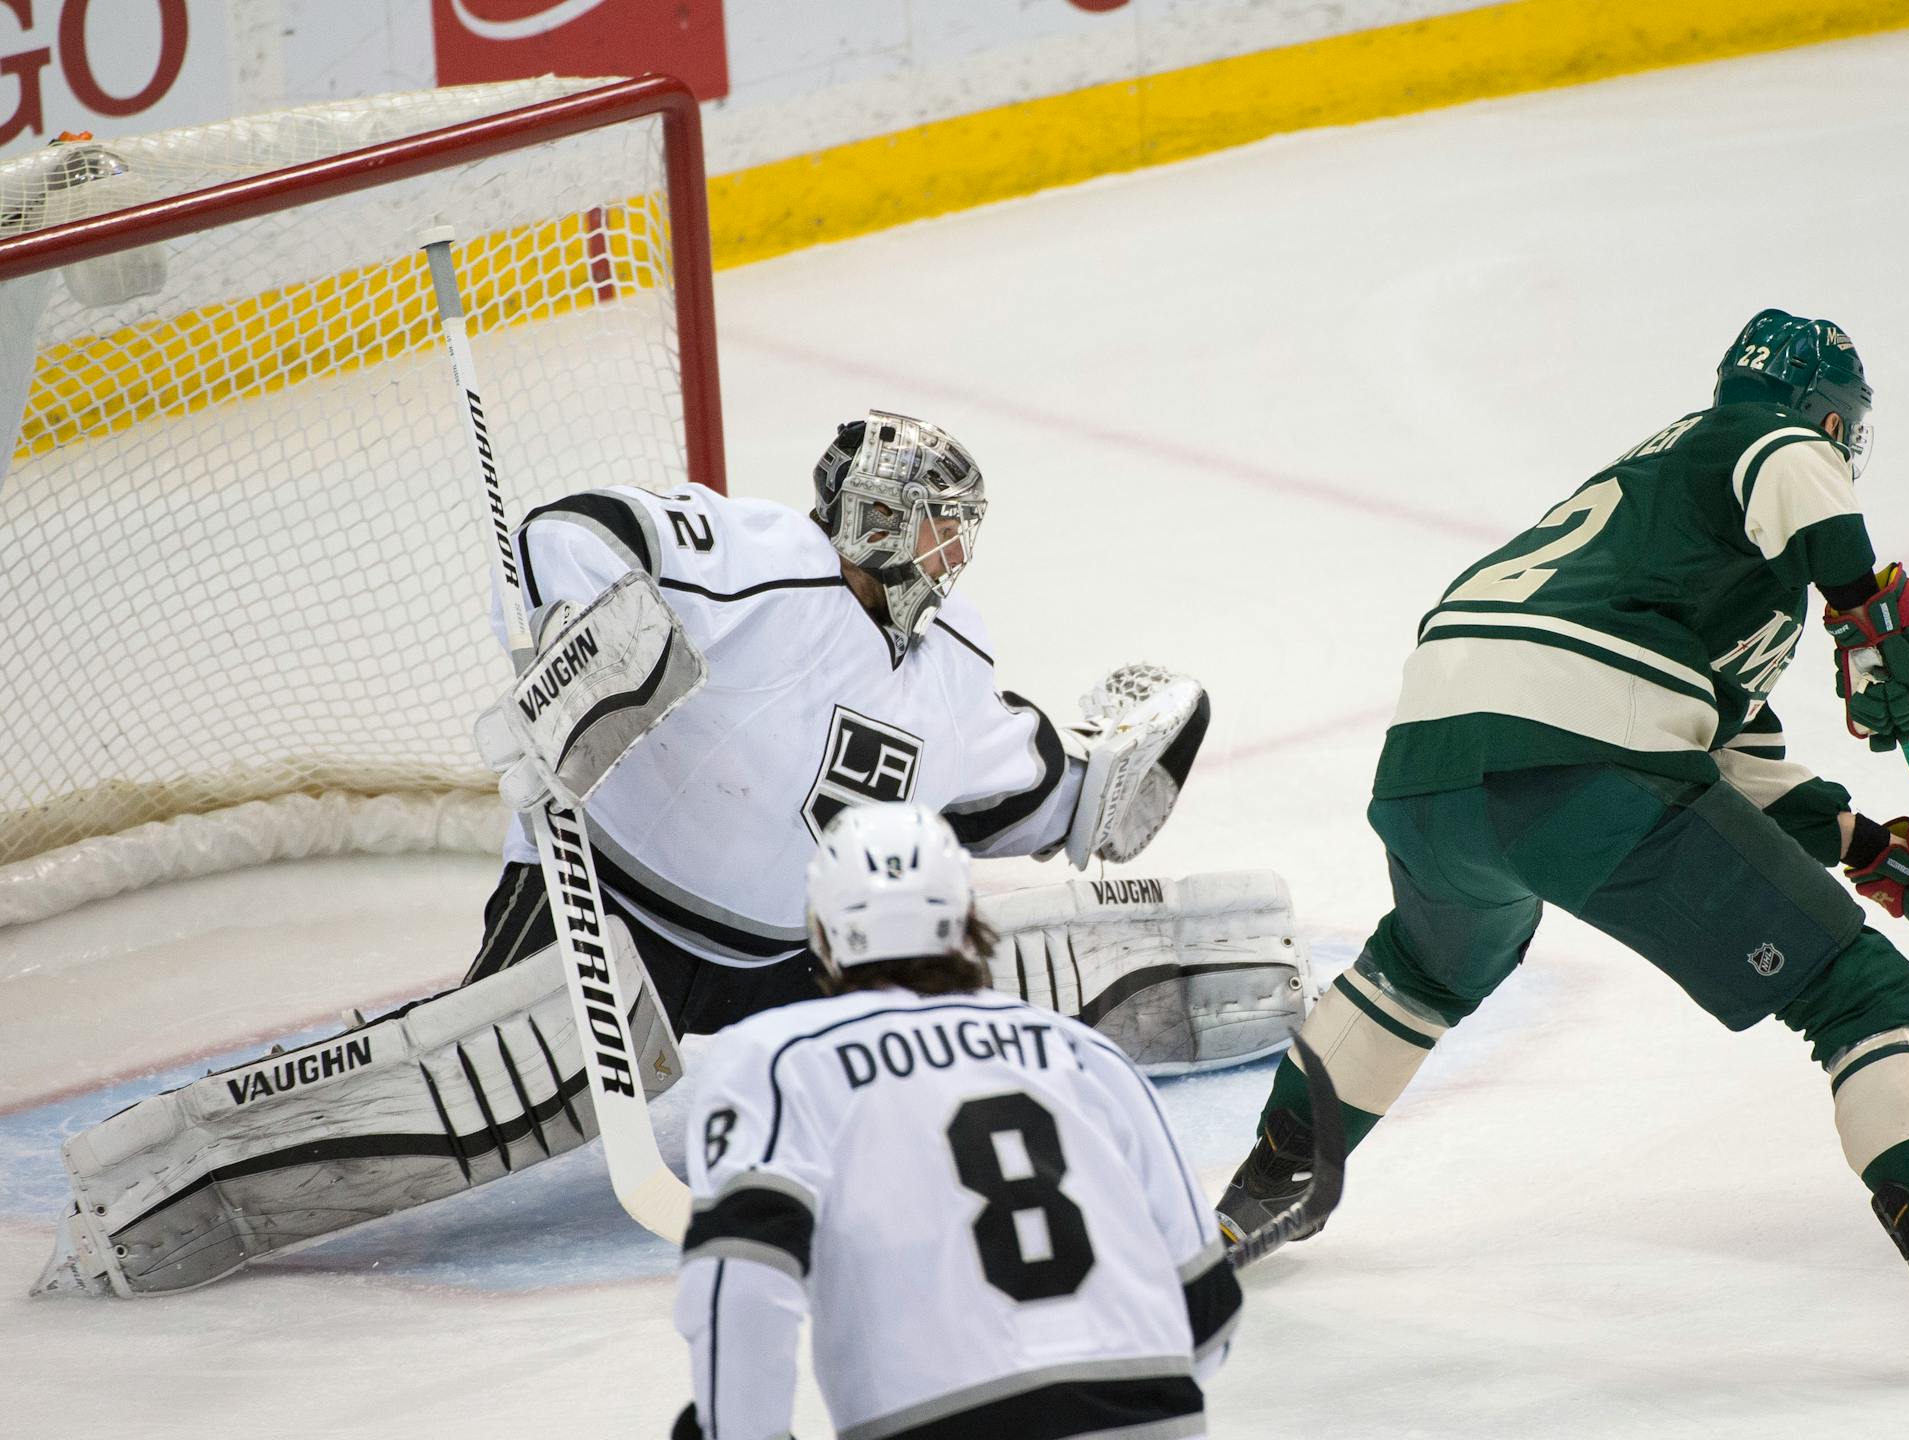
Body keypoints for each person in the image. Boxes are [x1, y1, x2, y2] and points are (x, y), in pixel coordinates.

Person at [38, 411, 1299, 1298]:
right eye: (918, 526)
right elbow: (569, 530)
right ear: (863, 516)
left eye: (947, 533)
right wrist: (594, 644)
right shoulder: (755, 557)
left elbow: (1021, 794)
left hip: (784, 956)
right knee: (498, 1071)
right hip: (604, 898)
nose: (935, 553)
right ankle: (183, 1174)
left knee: (914, 1048)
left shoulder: (957, 662)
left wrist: (1097, 787)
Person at [1213, 311, 1909, 1379]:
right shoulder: (1753, 443)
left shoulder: (1667, 530)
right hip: (1579, 752)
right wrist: (1871, 612)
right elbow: (1789, 458)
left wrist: (1887, 853)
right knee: (1857, 988)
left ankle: (1270, 1182)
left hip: (1431, 759)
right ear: (1832, 419)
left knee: (1418, 970)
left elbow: (1731, 763)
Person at [672, 801, 1240, 1440]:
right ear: (968, 921)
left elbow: (743, 1278)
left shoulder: (778, 1056)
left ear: (823, 933)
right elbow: (1208, 1316)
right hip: (1151, 1417)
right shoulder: (1085, 1053)